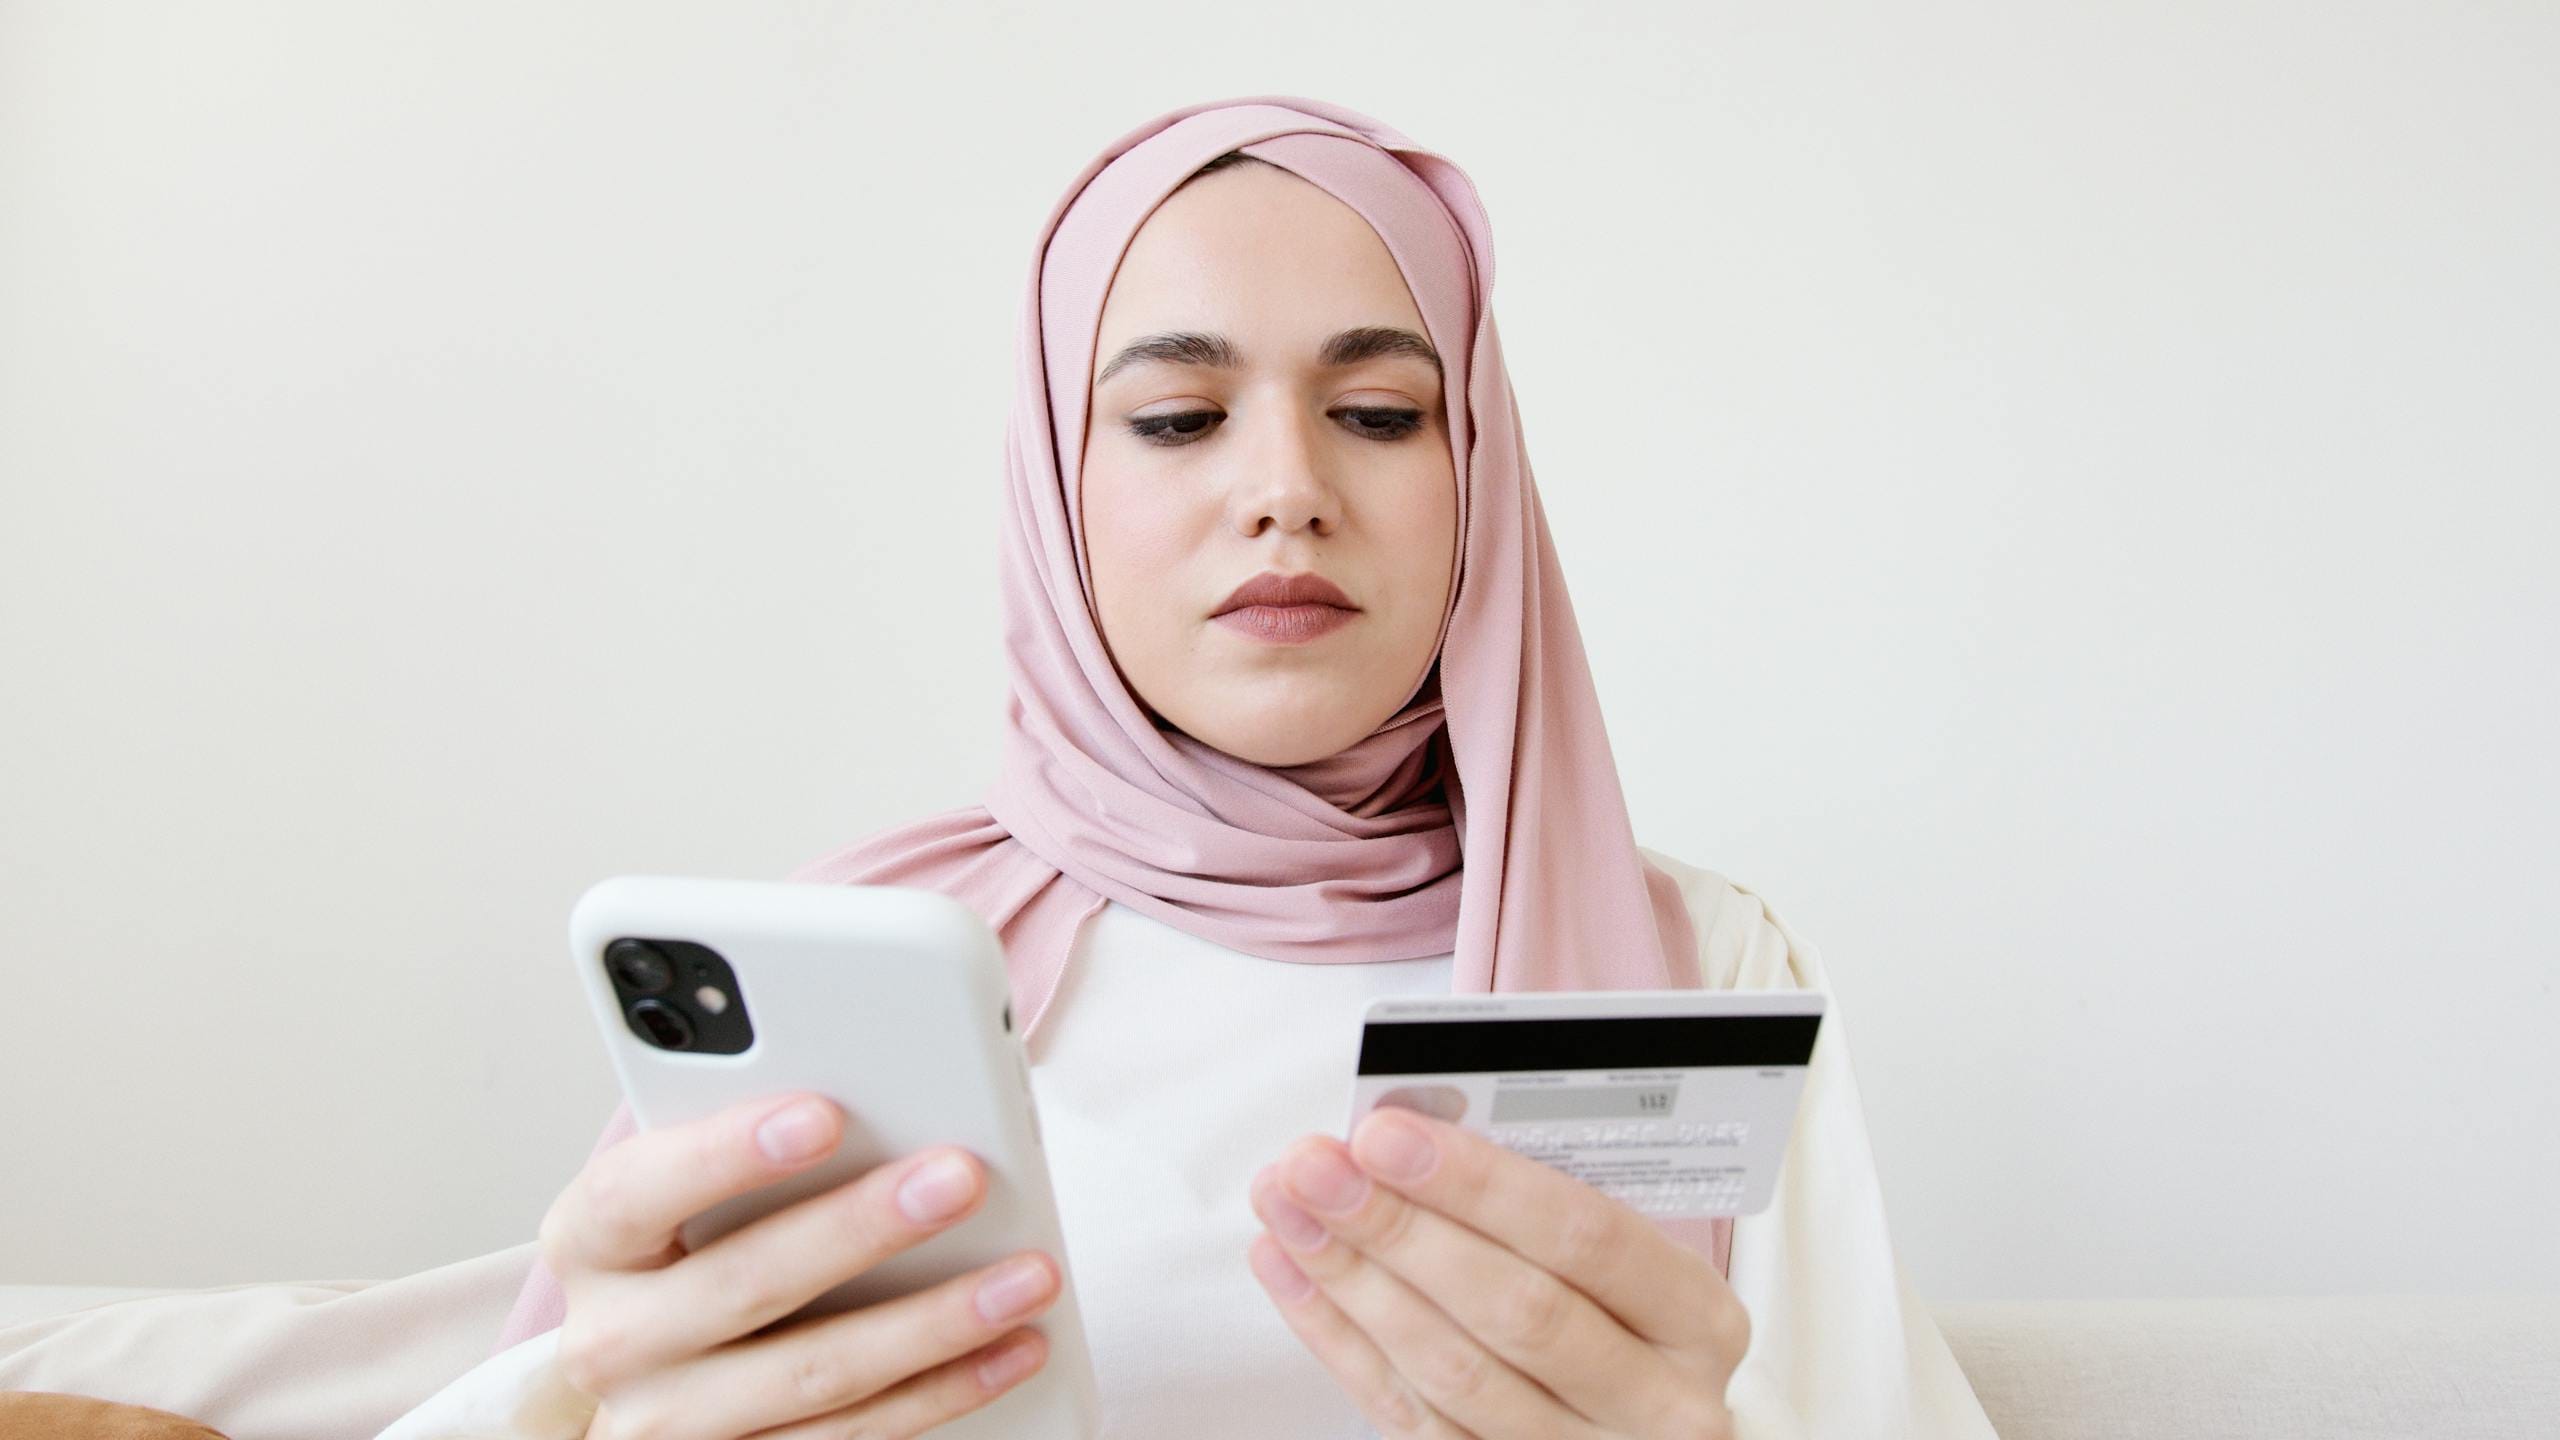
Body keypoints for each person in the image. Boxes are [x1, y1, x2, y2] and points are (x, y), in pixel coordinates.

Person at [0, 95, 1998, 1440]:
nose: (1286, 494)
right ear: (1057, 489)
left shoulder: (1691, 956)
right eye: (1176, 418)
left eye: (1380, 413)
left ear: (1478, 475)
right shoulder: (878, 950)